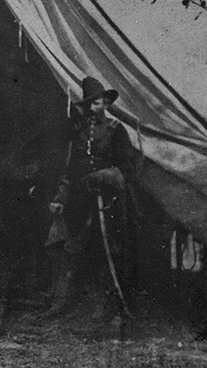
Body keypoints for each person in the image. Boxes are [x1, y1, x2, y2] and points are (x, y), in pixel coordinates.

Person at [44, 76, 138, 321]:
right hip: (81, 201)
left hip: (109, 204)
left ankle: (106, 306)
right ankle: (61, 304)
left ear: (105, 103)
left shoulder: (117, 131)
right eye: (88, 105)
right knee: (72, 249)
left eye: (96, 104)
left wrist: (107, 175)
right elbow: (70, 171)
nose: (91, 109)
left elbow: (128, 169)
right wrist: (60, 198)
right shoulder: (80, 133)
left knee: (108, 251)